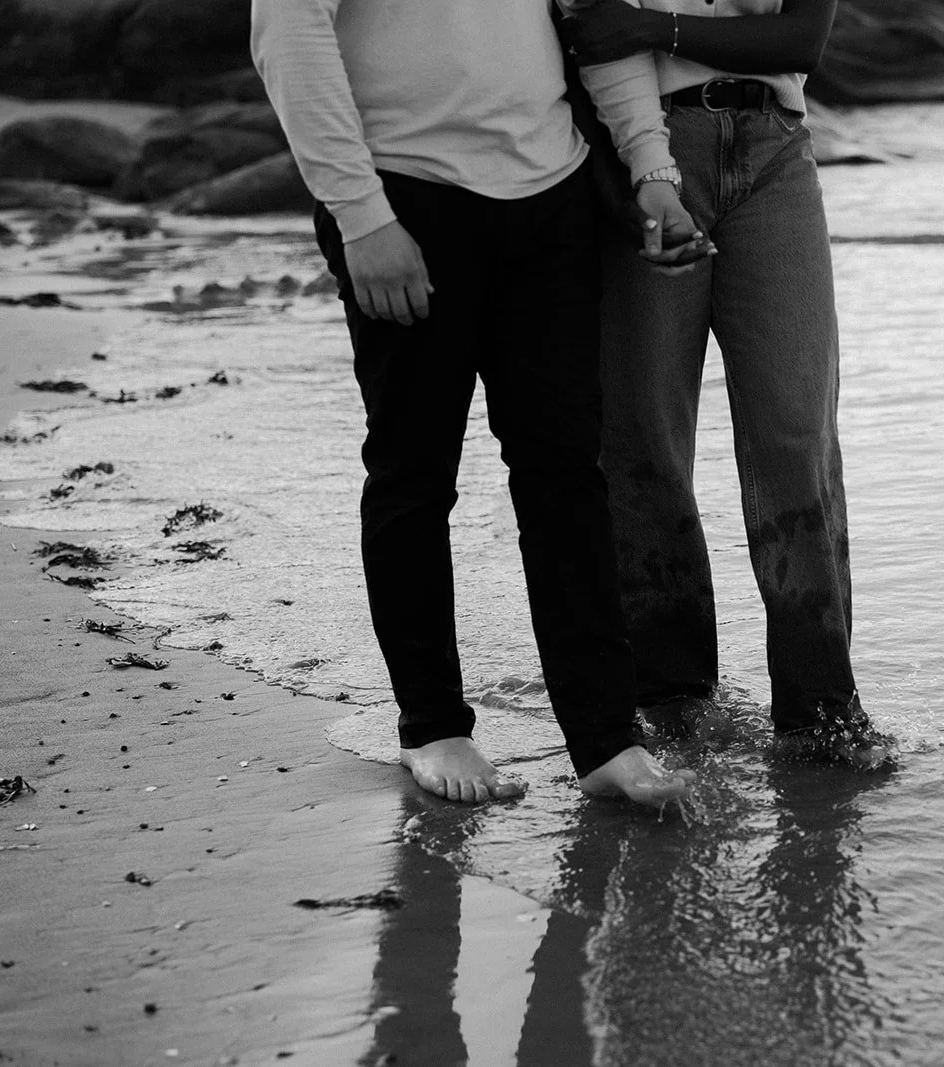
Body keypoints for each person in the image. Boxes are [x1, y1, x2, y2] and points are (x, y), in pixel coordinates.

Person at [250, 0, 706, 806]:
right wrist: (362, 217)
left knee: (568, 476)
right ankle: (433, 727)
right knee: (414, 473)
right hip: (406, 195)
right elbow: (289, 29)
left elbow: (595, 20)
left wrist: (651, 169)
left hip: (552, 195)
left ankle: (605, 739)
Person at [559, 0, 895, 767]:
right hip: (643, 139)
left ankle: (821, 709)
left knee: (796, 434)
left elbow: (802, 40)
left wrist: (656, 28)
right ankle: (672, 701)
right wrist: (634, 167)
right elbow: (592, 29)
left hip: (776, 147)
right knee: (644, 435)